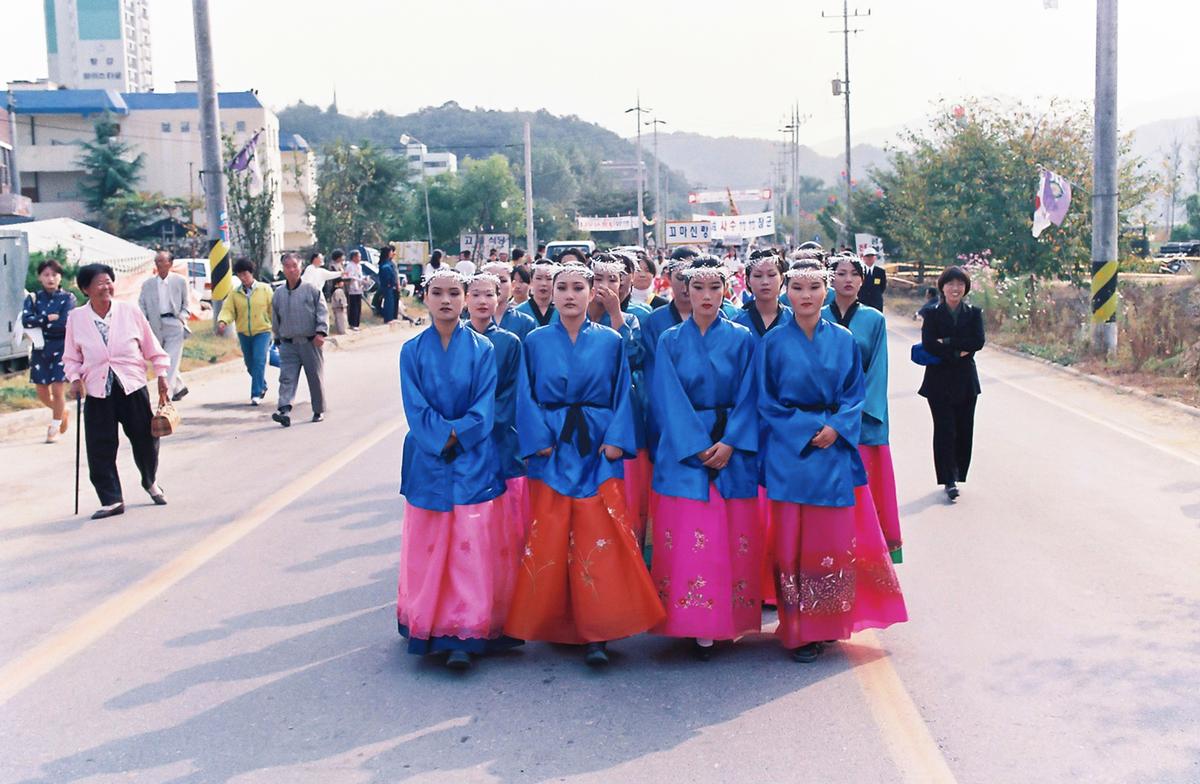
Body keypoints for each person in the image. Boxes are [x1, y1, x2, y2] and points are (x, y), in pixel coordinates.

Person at [505, 263, 665, 666]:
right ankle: (558, 622)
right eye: (563, 288)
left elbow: (622, 393)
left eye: (579, 287)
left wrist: (616, 440)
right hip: (554, 445)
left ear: (592, 291)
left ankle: (599, 630)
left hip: (596, 445)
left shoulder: (610, 341)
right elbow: (524, 395)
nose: (571, 295)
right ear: (553, 294)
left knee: (601, 534)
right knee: (552, 533)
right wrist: (538, 440)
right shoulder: (536, 341)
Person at [756, 260, 906, 662]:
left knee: (830, 541)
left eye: (813, 288)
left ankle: (826, 625)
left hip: (834, 452)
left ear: (826, 292)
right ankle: (797, 628)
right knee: (791, 541)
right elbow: (765, 400)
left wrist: (837, 428)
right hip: (791, 453)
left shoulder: (842, 340)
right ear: (788, 291)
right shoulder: (771, 343)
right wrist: (806, 428)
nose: (805, 295)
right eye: (798, 287)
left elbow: (855, 393)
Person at [398, 267, 517, 670]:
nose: (446, 300)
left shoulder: (483, 349)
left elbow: (485, 406)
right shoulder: (411, 351)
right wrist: (441, 436)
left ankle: (466, 629)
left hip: (473, 455)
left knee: (470, 545)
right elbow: (414, 406)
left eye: (454, 293)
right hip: (428, 458)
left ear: (465, 297)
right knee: (429, 545)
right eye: (438, 293)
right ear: (425, 298)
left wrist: (458, 434)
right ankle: (429, 622)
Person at [649, 257, 761, 659]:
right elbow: (666, 396)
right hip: (685, 449)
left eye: (715, 288)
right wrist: (695, 445)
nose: (707, 296)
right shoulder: (670, 340)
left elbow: (751, 394)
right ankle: (689, 619)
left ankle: (723, 620)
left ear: (726, 291)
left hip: (732, 443)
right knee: (690, 535)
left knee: (727, 534)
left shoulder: (743, 338)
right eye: (699, 288)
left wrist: (731, 441)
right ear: (684, 291)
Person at [63, 264, 170, 519]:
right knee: (100, 445)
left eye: (109, 281)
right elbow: (70, 356)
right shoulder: (76, 318)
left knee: (145, 439)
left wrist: (162, 374)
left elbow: (151, 346)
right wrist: (75, 378)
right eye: (99, 283)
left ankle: (149, 480)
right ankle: (111, 499)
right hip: (98, 389)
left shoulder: (129, 311)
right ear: (85, 289)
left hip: (131, 384)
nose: (106, 287)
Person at [823, 255, 902, 562]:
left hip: (863, 419)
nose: (847, 279)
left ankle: (871, 554)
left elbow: (877, 370)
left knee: (866, 489)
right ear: (831, 279)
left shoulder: (873, 320)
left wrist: (856, 412)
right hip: (825, 416)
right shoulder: (816, 315)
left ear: (862, 280)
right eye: (840, 273)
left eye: (853, 274)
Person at [464, 271, 530, 550]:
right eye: (475, 294)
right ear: (465, 299)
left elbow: (513, 394)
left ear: (499, 297)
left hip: (501, 437)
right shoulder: (455, 340)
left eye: (489, 294)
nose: (482, 300)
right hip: (463, 439)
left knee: (509, 520)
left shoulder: (510, 342)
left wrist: (481, 424)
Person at [588, 252, 650, 545]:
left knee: (627, 494)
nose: (605, 286)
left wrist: (615, 314)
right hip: (584, 416)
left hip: (624, 411)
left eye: (612, 279)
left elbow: (629, 356)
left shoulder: (630, 319)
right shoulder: (570, 317)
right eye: (598, 279)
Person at [918, 266, 985, 502]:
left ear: (965, 288)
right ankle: (948, 479)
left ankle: (958, 472)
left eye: (960, 284)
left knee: (964, 429)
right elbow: (928, 344)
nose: (955, 288)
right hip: (938, 381)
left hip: (966, 381)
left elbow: (977, 342)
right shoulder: (932, 314)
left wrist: (946, 341)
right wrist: (957, 351)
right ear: (942, 287)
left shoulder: (974, 313)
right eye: (950, 284)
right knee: (944, 429)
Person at [271, 253, 328, 427]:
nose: (291, 269)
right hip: (288, 343)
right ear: (283, 269)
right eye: (287, 266)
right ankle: (284, 410)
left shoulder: (311, 289)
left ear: (300, 268)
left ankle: (318, 410)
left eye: (294, 266)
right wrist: (277, 338)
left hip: (310, 342)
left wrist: (321, 332)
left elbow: (322, 311)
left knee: (315, 378)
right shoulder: (278, 293)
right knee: (286, 378)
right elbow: (275, 318)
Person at [22, 258, 75, 443]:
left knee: (58, 388)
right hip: (40, 346)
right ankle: (62, 411)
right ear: (39, 277)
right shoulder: (33, 298)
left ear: (60, 277)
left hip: (61, 346)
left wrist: (42, 319)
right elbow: (26, 320)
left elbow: (64, 322)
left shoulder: (68, 298)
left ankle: (54, 427)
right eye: (46, 275)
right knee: (42, 391)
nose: (50, 278)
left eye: (54, 274)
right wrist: (46, 319)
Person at [217, 258, 274, 406]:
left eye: (245, 274)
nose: (243, 278)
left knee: (259, 360)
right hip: (244, 332)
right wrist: (223, 321)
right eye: (240, 275)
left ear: (251, 273)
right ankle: (262, 384)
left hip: (262, 331)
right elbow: (228, 310)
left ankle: (256, 394)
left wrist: (277, 327)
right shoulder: (235, 294)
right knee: (250, 364)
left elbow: (273, 310)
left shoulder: (265, 289)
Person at [137, 250, 190, 401]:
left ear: (170, 264)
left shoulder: (180, 281)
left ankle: (166, 393)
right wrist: (143, 321)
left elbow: (186, 304)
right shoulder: (148, 284)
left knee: (170, 359)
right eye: (157, 261)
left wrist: (181, 318)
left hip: (174, 324)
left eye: (161, 261)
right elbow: (141, 304)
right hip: (155, 325)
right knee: (160, 359)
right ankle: (179, 387)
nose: (158, 264)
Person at [481, 260, 537, 341]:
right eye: (491, 280)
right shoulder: (473, 322)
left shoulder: (526, 322)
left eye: (502, 281)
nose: (497, 285)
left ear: (512, 285)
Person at [516, 258, 558, 326]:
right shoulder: (519, 312)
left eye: (549, 278)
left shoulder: (562, 310)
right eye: (538, 278)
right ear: (531, 280)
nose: (543, 283)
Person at [858, 247, 887, 312]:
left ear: (875, 258)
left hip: (876, 302)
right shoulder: (859, 271)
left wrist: (876, 293)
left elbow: (883, 286)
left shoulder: (880, 271)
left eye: (872, 256)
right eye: (867, 256)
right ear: (863, 258)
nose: (870, 258)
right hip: (862, 302)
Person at [343, 249, 366, 331]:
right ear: (353, 257)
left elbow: (360, 276)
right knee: (353, 306)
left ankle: (357, 323)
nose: (359, 258)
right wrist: (358, 280)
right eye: (358, 256)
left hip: (359, 288)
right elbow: (348, 277)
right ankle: (352, 323)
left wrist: (364, 279)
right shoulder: (349, 266)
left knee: (359, 306)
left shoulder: (359, 266)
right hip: (352, 289)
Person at [377, 245, 399, 323]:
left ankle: (391, 318)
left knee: (391, 302)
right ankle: (388, 318)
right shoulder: (384, 264)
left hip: (391, 286)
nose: (392, 253)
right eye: (390, 252)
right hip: (387, 286)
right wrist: (389, 283)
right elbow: (385, 275)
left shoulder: (389, 262)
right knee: (388, 302)